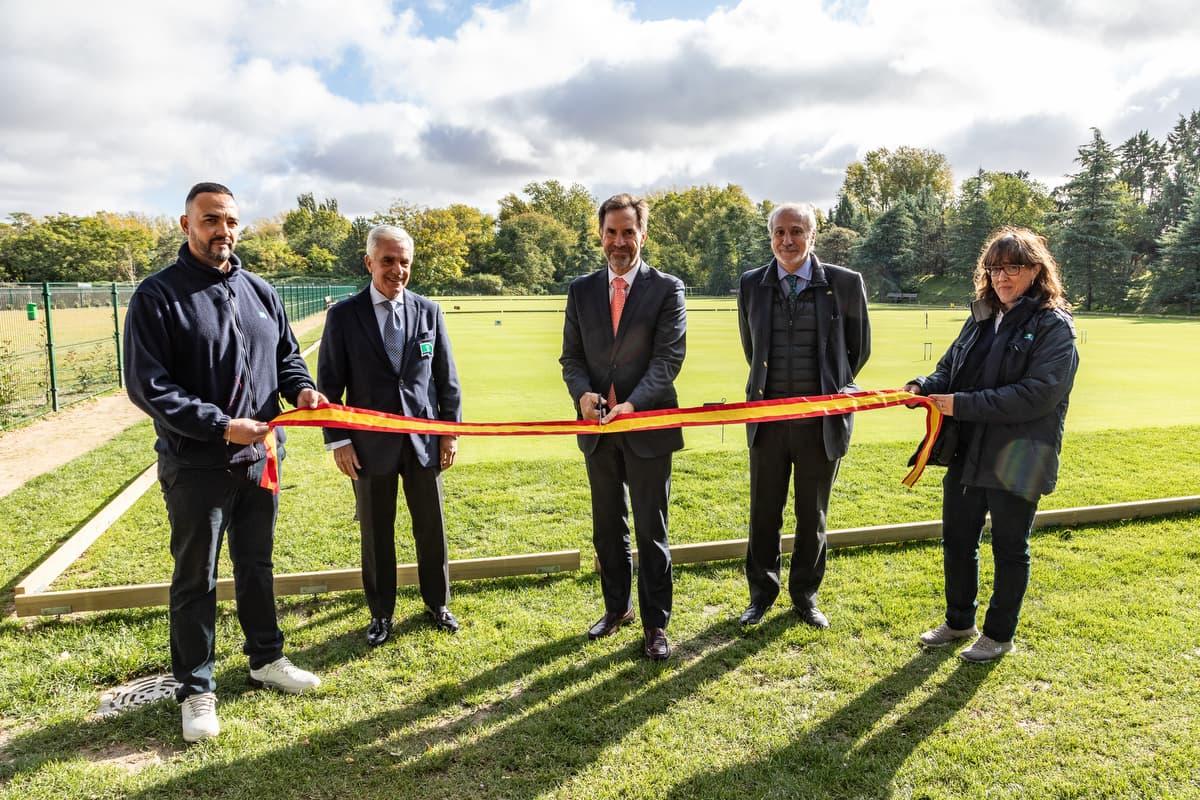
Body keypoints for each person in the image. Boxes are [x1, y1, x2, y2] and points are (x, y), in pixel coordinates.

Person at [124, 182, 324, 744]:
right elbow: (148, 385)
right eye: (211, 220)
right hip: (197, 465)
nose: (223, 231)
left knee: (256, 566)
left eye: (231, 221)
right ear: (186, 224)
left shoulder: (260, 290)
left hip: (260, 459)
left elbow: (286, 358)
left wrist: (303, 392)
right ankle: (196, 687)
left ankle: (265, 659)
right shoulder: (157, 296)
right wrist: (218, 425)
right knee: (197, 576)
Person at [906, 227, 1078, 662]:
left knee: (1009, 546)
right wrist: (923, 387)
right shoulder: (982, 314)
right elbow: (949, 368)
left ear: (1036, 271)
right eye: (995, 268)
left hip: (1021, 456)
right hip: (968, 449)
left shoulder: (1053, 325)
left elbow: (1037, 394)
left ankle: (999, 635)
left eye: (1013, 267)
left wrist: (958, 404)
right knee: (958, 540)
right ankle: (959, 620)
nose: (1002, 277)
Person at [318, 225, 463, 646]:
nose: (397, 270)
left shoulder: (428, 311)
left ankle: (438, 603)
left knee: (431, 529)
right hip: (368, 447)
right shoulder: (344, 316)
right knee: (377, 533)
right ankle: (381, 614)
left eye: (404, 262)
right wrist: (339, 439)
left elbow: (445, 379)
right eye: (388, 261)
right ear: (369, 262)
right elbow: (329, 385)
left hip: (423, 442)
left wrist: (448, 434)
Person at [560, 193, 686, 660]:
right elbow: (571, 358)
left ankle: (656, 625)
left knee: (652, 531)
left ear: (642, 235)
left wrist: (633, 403)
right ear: (600, 235)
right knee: (607, 528)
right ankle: (618, 609)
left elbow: (668, 359)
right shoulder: (581, 290)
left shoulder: (667, 289)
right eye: (611, 232)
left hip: (647, 427)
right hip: (597, 433)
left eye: (627, 232)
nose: (619, 242)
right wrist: (582, 394)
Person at [736, 202, 871, 629]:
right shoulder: (752, 284)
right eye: (779, 232)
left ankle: (805, 596)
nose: (787, 241)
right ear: (770, 236)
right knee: (763, 514)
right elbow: (751, 347)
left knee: (812, 516)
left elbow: (857, 349)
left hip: (821, 424)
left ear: (813, 236)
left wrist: (831, 387)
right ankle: (761, 594)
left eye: (797, 231)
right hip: (768, 421)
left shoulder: (845, 283)